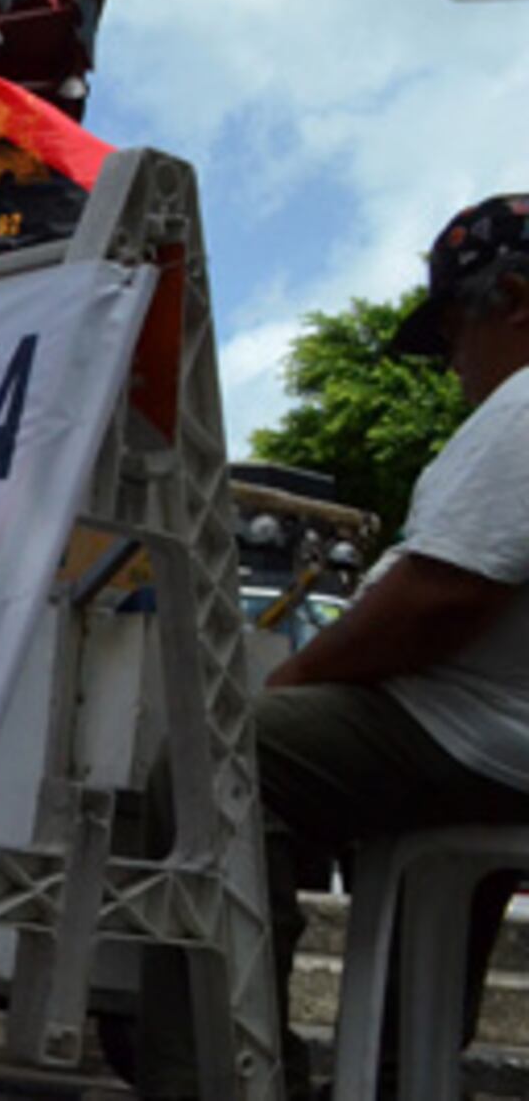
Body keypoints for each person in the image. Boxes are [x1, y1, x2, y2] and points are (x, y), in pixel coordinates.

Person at [138, 196, 529, 1099]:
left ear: (511, 298)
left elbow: (438, 599)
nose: (455, 370)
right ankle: (400, 1075)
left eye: (453, 339)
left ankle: (210, 1079)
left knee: (225, 759)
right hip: (483, 734)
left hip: (482, 729)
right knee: (407, 816)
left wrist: (290, 683)